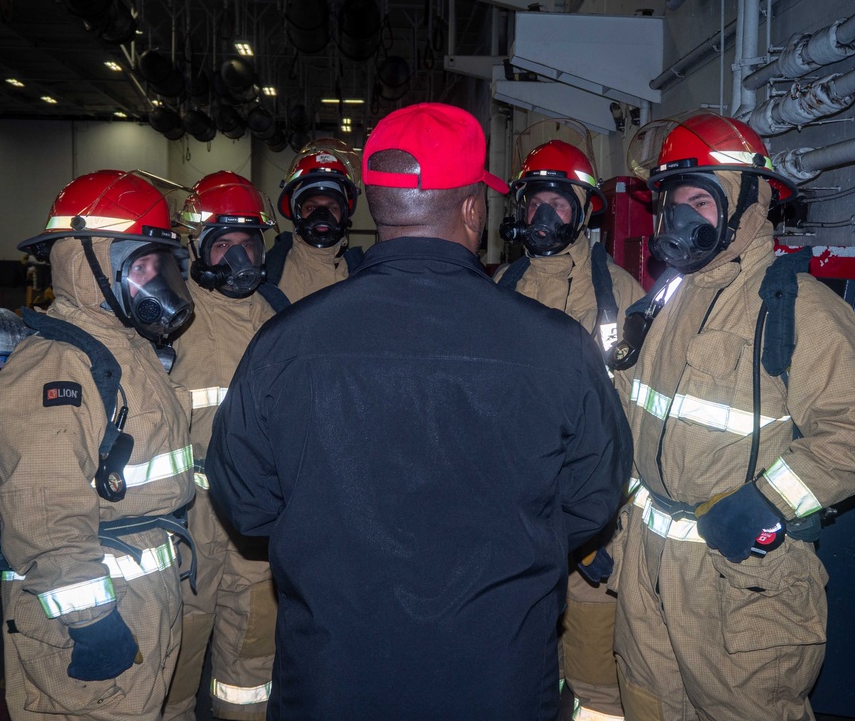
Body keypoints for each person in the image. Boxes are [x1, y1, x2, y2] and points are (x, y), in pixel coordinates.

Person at [205, 102, 632, 719]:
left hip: (333, 676)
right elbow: (595, 496)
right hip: (496, 676)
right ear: (470, 209)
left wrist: (335, 544)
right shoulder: (557, 345)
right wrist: (515, 546)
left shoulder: (284, 341)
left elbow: (245, 502)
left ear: (376, 207)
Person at [612, 110, 855, 720]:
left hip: (739, 583)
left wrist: (768, 501)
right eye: (672, 203)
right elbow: (628, 416)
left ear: (748, 205)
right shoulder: (662, 302)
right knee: (647, 707)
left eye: (701, 200)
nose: (680, 220)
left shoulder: (800, 311)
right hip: (647, 572)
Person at [0, 169, 198, 721]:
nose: (154, 280)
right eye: (139, 264)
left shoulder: (125, 348)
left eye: (158, 265)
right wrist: (94, 625)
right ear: (90, 264)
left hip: (142, 596)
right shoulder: (54, 367)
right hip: (90, 613)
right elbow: (43, 516)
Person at [496, 139, 645, 721]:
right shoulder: (501, 286)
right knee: (518, 664)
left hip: (593, 527)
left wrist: (605, 518)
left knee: (595, 682)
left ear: (585, 212)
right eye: (536, 202)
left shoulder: (622, 296)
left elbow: (631, 419)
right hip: (515, 517)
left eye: (561, 204)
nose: (545, 216)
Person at [164, 171, 281, 721]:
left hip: (255, 531)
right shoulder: (165, 321)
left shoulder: (279, 319)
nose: (238, 258)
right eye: (223, 245)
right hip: (184, 531)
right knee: (172, 673)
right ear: (194, 247)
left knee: (249, 675)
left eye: (248, 244)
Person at [270, 139, 364, 304]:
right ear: (296, 213)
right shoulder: (269, 272)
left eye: (332, 208)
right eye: (312, 209)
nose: (322, 217)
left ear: (344, 214)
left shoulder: (362, 273)